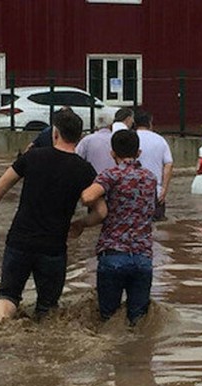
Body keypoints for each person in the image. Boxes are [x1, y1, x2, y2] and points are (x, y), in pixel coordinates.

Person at [0, 109, 97, 321]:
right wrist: (81, 223)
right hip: (54, 247)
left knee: (8, 296)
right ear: (79, 137)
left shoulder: (32, 157)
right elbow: (102, 211)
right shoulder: (84, 170)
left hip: (20, 240)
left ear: (54, 133)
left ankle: (4, 324)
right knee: (48, 308)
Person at [72, 129, 157, 326]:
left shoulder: (110, 175)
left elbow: (88, 197)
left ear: (112, 153)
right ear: (139, 153)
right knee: (139, 322)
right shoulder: (150, 178)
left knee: (108, 321)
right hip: (143, 257)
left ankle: (112, 356)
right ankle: (137, 355)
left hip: (113, 255)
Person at [134, 110, 173, 221]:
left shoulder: (131, 138)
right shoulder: (160, 140)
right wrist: (164, 189)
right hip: (155, 190)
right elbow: (169, 164)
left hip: (132, 190)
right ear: (150, 123)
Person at [76, 108, 134, 174]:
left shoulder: (87, 140)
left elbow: (77, 157)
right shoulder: (117, 139)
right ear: (111, 125)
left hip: (93, 179)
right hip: (114, 177)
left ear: (96, 125)